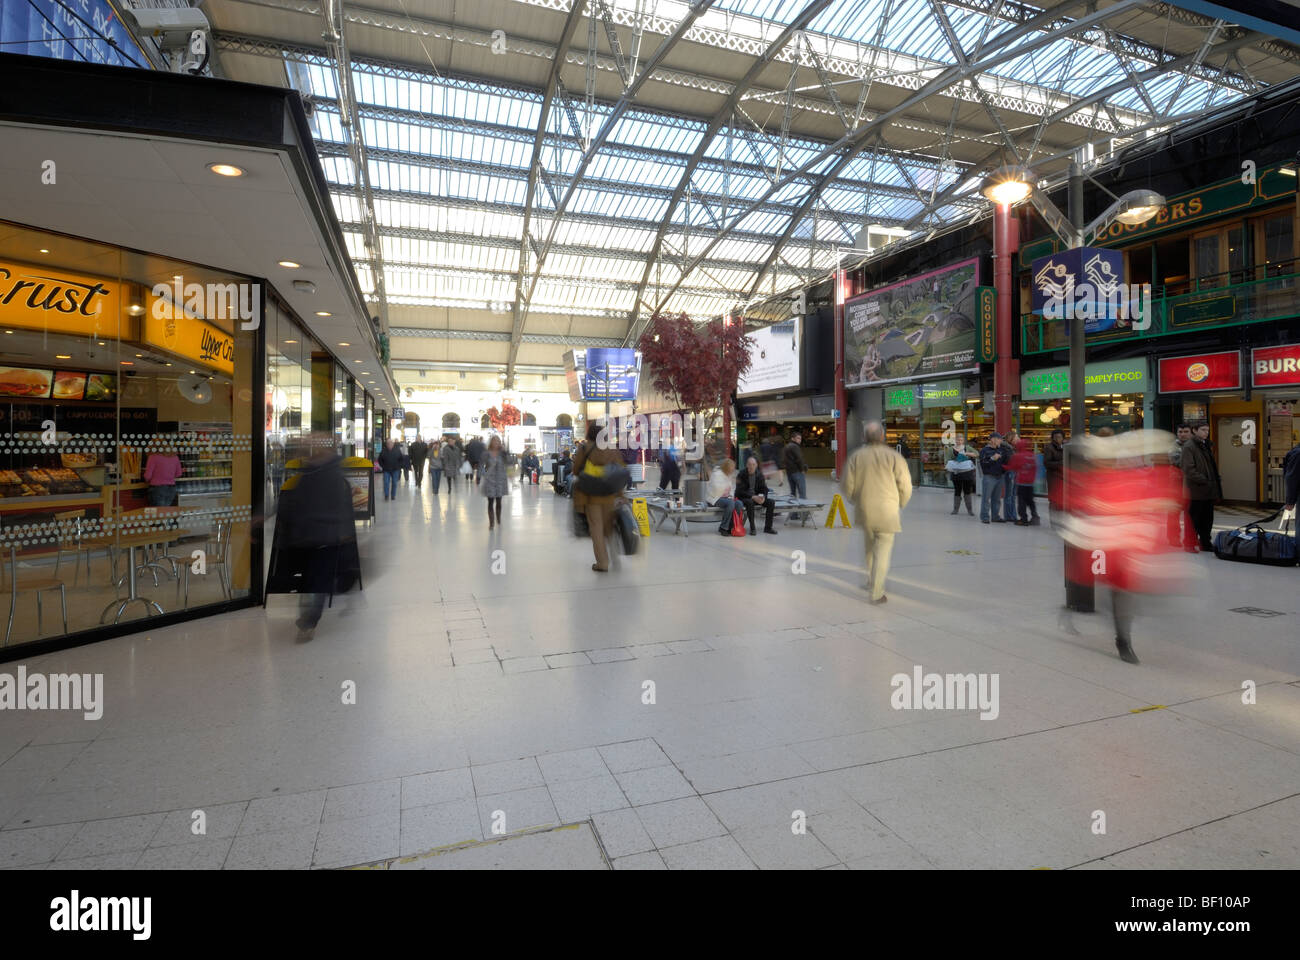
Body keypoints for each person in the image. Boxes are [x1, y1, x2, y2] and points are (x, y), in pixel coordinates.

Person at [275, 436, 357, 641]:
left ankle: (308, 620)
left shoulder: (316, 476)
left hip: (321, 536)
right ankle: (309, 617)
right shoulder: (314, 475)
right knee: (315, 579)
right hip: (317, 536)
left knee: (316, 579)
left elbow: (342, 508)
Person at [843, 421, 912, 605]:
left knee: (869, 548)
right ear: (882, 436)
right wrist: (901, 503)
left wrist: (855, 501)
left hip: (865, 510)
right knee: (882, 551)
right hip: (887, 511)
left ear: (865, 437)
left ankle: (871, 580)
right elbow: (905, 485)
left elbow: (847, 485)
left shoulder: (856, 456)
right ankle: (876, 592)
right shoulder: (894, 457)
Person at [572, 423, 623, 571]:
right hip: (610, 494)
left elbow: (576, 470)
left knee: (597, 529)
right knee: (610, 528)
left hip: (591, 496)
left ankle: (602, 563)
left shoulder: (584, 448)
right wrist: (621, 494)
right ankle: (615, 557)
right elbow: (620, 471)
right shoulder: (612, 448)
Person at [1181, 422, 1221, 551]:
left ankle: (1205, 543)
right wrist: (1205, 480)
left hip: (1207, 489)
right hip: (1195, 490)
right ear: (1195, 430)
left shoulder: (1205, 445)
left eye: (1207, 430)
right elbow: (1188, 469)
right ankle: (1189, 543)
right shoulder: (1189, 446)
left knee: (1207, 519)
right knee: (1194, 519)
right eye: (1203, 430)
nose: (1206, 432)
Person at [735, 455, 776, 535]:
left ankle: (768, 528)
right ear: (746, 465)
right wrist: (753, 496)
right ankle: (752, 528)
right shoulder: (741, 474)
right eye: (750, 464)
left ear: (756, 465)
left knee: (771, 502)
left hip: (756, 497)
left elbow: (764, 488)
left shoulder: (759, 474)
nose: (751, 466)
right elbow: (739, 491)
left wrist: (763, 497)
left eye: (753, 464)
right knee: (750, 502)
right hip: (744, 497)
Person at [1166, 424, 1192, 547]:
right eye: (1180, 431)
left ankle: (1190, 538)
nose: (1182, 434)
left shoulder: (1193, 446)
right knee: (1173, 514)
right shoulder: (1173, 446)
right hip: (1175, 485)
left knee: (1190, 514)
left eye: (1185, 431)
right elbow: (1177, 462)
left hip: (1190, 485)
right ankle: (1173, 538)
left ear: (1191, 433)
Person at [1007, 437, 1040, 525]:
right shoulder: (1032, 455)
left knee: (1021, 502)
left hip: (1021, 482)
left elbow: (1012, 467)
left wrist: (1003, 466)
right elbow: (1036, 468)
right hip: (1030, 483)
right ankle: (1035, 517)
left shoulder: (1017, 456)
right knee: (1030, 501)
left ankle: (1023, 519)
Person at [978, 432, 1009, 523]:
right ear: (993, 439)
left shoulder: (1001, 450)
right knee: (986, 498)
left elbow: (1005, 462)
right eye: (999, 439)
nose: (1001, 441)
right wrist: (992, 459)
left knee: (997, 498)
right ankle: (985, 517)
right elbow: (982, 464)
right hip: (989, 477)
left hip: (999, 477)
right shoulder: (984, 450)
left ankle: (995, 516)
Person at [481, 435, 509, 529]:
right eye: (494, 441)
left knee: (499, 501)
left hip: (500, 480)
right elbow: (481, 465)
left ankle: (498, 518)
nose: (496, 443)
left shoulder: (502, 453)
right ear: (491, 442)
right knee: (490, 501)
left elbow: (509, 462)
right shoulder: (486, 453)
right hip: (490, 480)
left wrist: (505, 452)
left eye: (498, 441)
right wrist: (479, 476)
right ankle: (491, 523)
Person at [707, 458, 738, 536]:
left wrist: (731, 495)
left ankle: (731, 527)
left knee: (739, 503)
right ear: (727, 467)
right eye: (732, 468)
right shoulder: (716, 474)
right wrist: (726, 489)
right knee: (730, 503)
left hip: (726, 498)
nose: (733, 470)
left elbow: (732, 488)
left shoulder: (729, 475)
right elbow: (716, 488)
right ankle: (723, 527)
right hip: (715, 498)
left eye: (733, 468)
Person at [783, 430, 809, 519]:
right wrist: (802, 469)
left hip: (790, 473)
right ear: (792, 438)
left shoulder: (787, 447)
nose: (799, 440)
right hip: (797, 472)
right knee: (802, 494)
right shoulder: (795, 446)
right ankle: (803, 515)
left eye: (800, 438)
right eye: (798, 438)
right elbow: (799, 459)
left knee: (793, 494)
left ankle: (793, 515)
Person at [945, 446, 976, 516]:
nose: (959, 441)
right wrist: (951, 463)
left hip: (967, 473)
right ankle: (955, 509)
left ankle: (970, 510)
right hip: (956, 473)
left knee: (967, 491)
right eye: (958, 439)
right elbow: (947, 460)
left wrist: (967, 453)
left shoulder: (968, 447)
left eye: (961, 439)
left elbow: (977, 454)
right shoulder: (951, 449)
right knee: (957, 491)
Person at [1043, 429, 1065, 518]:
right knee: (1053, 500)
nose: (1057, 439)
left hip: (1064, 477)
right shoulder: (1049, 448)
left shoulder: (1065, 446)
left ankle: (1061, 519)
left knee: (1063, 499)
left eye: (1059, 437)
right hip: (1053, 477)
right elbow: (1047, 463)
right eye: (1055, 437)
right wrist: (1061, 463)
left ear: (1063, 438)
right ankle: (1054, 520)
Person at [1001, 430, 1020, 522]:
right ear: (1011, 438)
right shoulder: (1006, 448)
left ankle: (1012, 515)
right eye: (1016, 437)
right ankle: (1009, 516)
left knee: (1012, 495)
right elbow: (1009, 461)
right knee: (1009, 495)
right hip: (1010, 472)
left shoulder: (1012, 447)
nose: (1018, 439)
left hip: (1013, 472)